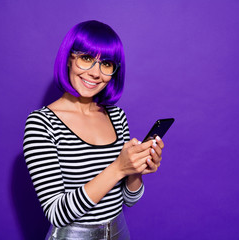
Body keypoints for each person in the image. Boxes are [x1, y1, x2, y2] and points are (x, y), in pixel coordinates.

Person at [23, 20, 164, 240]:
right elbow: (57, 213)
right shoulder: (42, 123)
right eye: (86, 58)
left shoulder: (117, 116)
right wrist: (118, 168)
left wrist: (135, 169)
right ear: (70, 59)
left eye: (106, 64)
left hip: (119, 233)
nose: (95, 73)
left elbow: (129, 199)